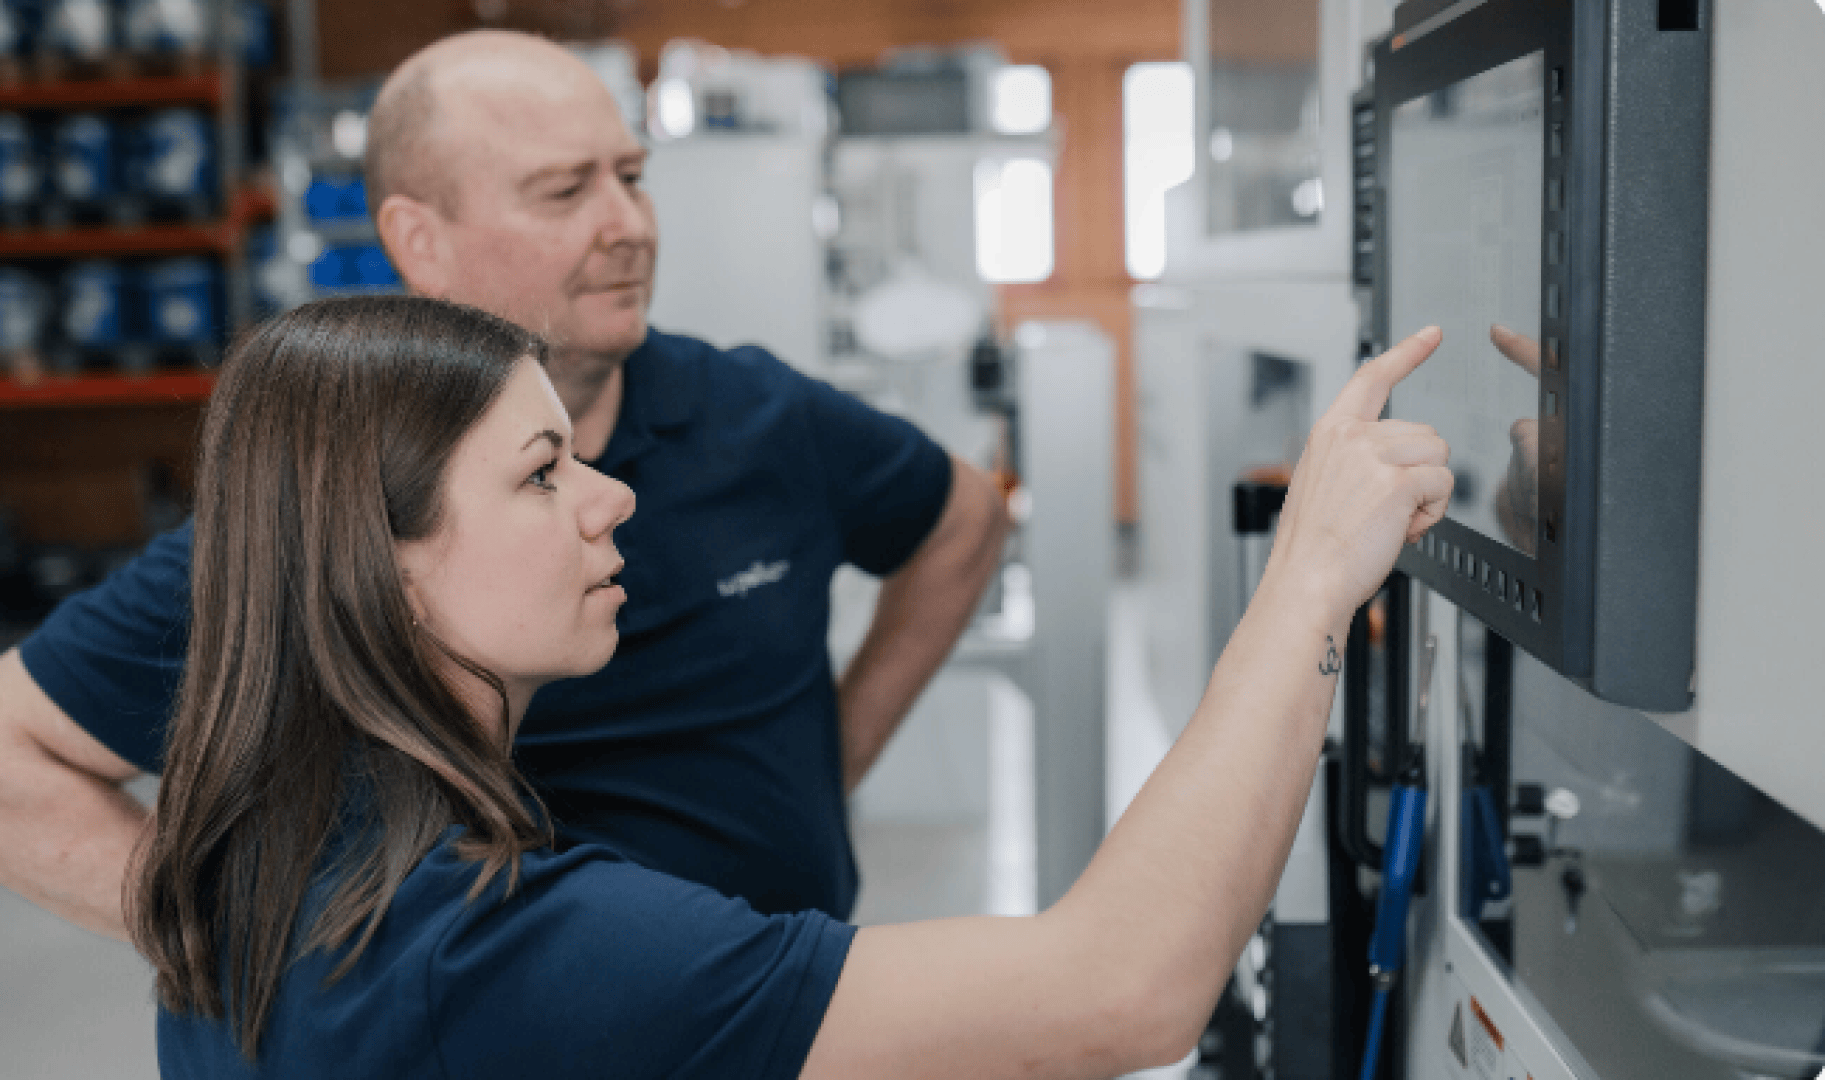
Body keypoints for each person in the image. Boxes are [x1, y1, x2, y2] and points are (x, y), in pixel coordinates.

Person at [135, 297, 1451, 1078]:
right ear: (387, 567)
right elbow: (1127, 987)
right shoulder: (500, 944)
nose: (614, 496)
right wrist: (1312, 581)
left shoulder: (253, 860)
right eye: (543, 473)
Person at [0, 30, 1008, 938]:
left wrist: (833, 770)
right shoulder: (337, 505)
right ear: (418, 240)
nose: (629, 225)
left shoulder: (761, 417)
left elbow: (959, 519)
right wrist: (223, 939)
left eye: (631, 176)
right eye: (565, 192)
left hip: (777, 1007)